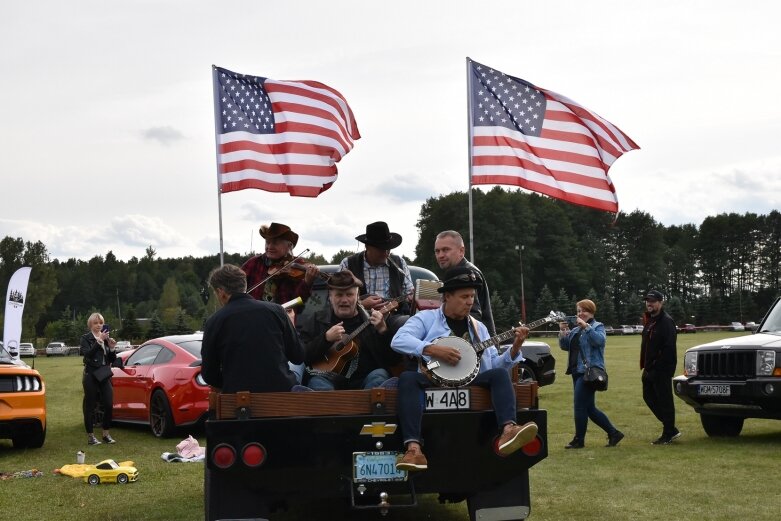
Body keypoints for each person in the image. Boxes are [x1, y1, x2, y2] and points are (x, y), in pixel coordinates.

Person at [391, 266, 538, 472]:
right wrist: (433, 349)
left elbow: (495, 366)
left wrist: (515, 349)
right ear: (447, 297)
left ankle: (509, 430)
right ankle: (414, 449)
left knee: (497, 375)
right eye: (464, 296)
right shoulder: (426, 319)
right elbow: (399, 340)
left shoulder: (480, 328)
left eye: (472, 296)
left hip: (470, 380)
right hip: (433, 378)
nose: (470, 301)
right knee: (408, 379)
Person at [201, 264, 304, 393]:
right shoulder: (277, 311)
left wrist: (232, 382)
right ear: (244, 285)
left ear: (221, 292)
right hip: (281, 395)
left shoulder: (214, 322)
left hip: (239, 401)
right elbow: (298, 356)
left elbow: (209, 374)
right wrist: (291, 326)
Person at [298, 270, 400, 390]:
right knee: (317, 382)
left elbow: (393, 360)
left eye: (349, 294)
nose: (344, 300)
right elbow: (302, 356)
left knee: (380, 375)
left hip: (365, 380)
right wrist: (325, 339)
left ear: (357, 296)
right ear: (330, 297)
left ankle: (370, 407)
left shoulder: (374, 320)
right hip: (327, 378)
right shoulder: (316, 320)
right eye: (339, 295)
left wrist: (383, 331)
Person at [557, 299, 624, 449]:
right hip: (575, 371)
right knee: (589, 408)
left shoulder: (597, 326)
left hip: (588, 372)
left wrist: (586, 326)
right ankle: (614, 433)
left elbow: (599, 341)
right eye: (578, 311)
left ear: (591, 312)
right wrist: (563, 330)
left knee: (579, 407)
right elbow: (565, 346)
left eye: (584, 311)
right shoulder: (575, 330)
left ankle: (579, 440)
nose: (580, 314)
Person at [340, 221, 414, 332]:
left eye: (388, 248)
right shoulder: (348, 264)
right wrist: (361, 304)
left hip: (392, 322)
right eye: (381, 249)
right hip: (357, 322)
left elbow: (410, 293)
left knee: (407, 323)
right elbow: (335, 299)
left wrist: (412, 298)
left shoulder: (400, 263)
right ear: (367, 247)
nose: (386, 253)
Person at [433, 230, 495, 334]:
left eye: (445, 250)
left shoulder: (468, 275)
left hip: (479, 344)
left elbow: (473, 314)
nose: (440, 255)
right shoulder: (456, 273)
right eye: (437, 251)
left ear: (461, 251)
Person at [241, 222, 319, 304]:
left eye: (275, 243)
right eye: (268, 242)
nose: (270, 247)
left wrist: (307, 283)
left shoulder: (297, 266)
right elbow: (236, 288)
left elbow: (298, 303)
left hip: (282, 316)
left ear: (289, 246)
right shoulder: (254, 263)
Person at [640, 289, 681, 444]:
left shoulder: (666, 321)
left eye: (652, 301)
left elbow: (669, 347)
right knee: (648, 397)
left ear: (660, 302)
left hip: (661, 369)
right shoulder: (650, 320)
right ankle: (671, 428)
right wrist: (647, 366)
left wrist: (657, 366)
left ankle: (668, 432)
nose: (649, 303)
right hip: (649, 368)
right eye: (647, 301)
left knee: (664, 400)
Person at [80, 312, 118, 445]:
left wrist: (112, 348)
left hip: (104, 375)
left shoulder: (106, 338)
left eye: (101, 323)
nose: (98, 325)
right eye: (96, 323)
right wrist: (100, 340)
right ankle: (91, 436)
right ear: (90, 324)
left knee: (108, 404)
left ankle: (106, 434)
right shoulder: (86, 338)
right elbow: (87, 356)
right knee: (90, 406)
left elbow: (111, 359)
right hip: (91, 375)